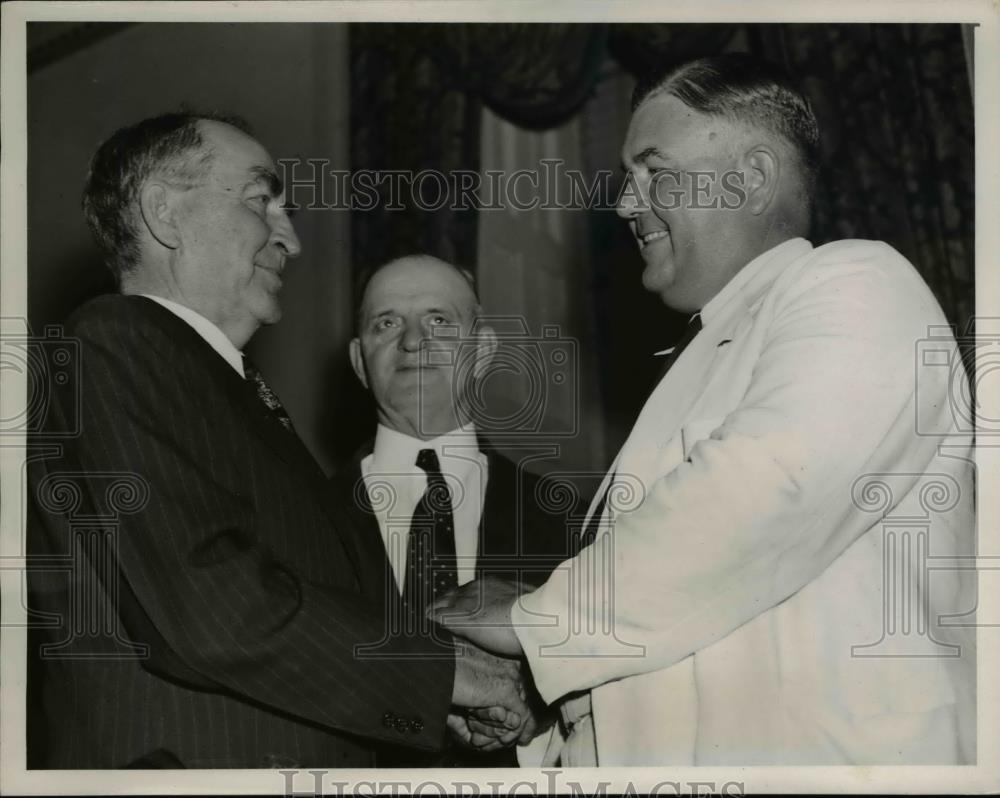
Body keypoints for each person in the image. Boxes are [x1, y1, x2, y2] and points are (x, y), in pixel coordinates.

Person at [432, 53, 976, 766]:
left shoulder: (859, 281)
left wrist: (535, 622)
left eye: (654, 172)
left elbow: (763, 494)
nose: (627, 205)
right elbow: (686, 614)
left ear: (750, 178)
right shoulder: (706, 356)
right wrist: (540, 708)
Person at [26, 112, 530, 768]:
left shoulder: (220, 387)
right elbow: (212, 605)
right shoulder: (115, 341)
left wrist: (441, 703)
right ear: (164, 214)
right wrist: (438, 674)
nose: (289, 238)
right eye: (262, 200)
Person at [335, 254, 574, 765]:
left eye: (439, 321)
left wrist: (540, 704)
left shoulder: (570, 521)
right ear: (359, 361)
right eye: (387, 322)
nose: (414, 341)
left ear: (483, 349)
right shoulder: (298, 513)